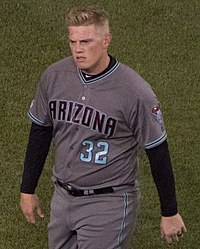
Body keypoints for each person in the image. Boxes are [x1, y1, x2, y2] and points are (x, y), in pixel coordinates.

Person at [20, 5, 187, 249]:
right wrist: (28, 189)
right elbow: (40, 131)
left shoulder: (134, 92)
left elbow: (157, 149)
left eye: (86, 41)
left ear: (106, 40)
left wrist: (169, 211)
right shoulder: (54, 76)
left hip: (109, 203)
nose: (78, 50)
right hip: (62, 199)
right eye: (73, 42)